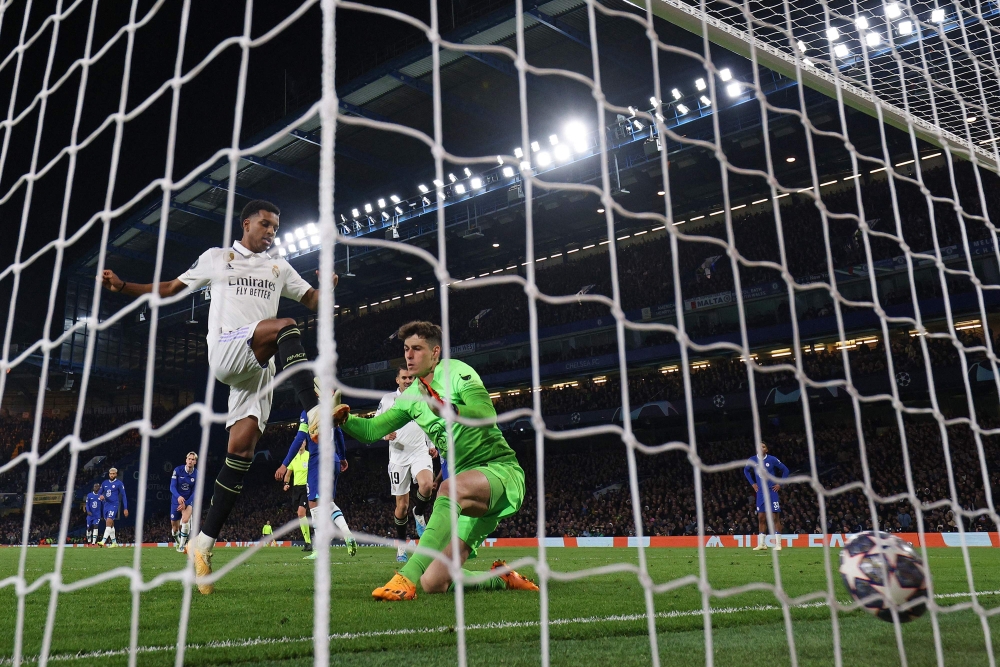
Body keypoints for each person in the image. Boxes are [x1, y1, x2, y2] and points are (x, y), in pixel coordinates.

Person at [101, 199, 337, 594]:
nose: (271, 233)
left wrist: (326, 286)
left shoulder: (279, 266)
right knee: (286, 325)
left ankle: (203, 544)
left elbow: (312, 300)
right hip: (229, 349)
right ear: (246, 224)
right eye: (265, 225)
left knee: (240, 455)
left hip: (259, 370)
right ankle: (314, 409)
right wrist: (124, 286)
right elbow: (173, 287)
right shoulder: (217, 258)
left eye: (276, 227)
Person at [335, 321, 538, 600]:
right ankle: (501, 579)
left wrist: (450, 409)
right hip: (466, 493)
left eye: (417, 349)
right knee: (434, 582)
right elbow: (371, 431)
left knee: (448, 488)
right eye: (406, 349)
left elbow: (485, 412)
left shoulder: (456, 372)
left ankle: (405, 577)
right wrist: (343, 419)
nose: (409, 356)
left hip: (500, 472)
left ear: (435, 352)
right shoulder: (410, 399)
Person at [275, 411, 357, 561]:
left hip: (319, 461)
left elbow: (299, 438)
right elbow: (338, 433)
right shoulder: (332, 407)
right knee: (328, 503)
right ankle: (347, 533)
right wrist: (343, 457)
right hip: (334, 459)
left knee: (313, 505)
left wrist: (284, 463)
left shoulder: (308, 412)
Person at [377, 366, 438, 562]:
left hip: (420, 451)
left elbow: (430, 422)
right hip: (398, 457)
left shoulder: (423, 397)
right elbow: (376, 424)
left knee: (427, 485)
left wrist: (432, 444)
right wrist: (385, 434)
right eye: (404, 377)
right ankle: (401, 548)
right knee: (401, 507)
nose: (408, 380)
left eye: (411, 377)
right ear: (397, 380)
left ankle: (419, 512)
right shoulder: (388, 400)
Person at [743, 442, 789, 551]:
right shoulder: (752, 460)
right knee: (761, 518)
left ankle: (778, 544)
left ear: (766, 450)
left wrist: (780, 484)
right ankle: (762, 544)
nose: (761, 448)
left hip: (771, 491)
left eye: (763, 446)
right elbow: (746, 471)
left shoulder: (772, 459)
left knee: (775, 518)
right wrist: (753, 484)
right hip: (760, 493)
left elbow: (785, 470)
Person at [282, 440, 312, 552]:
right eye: (299, 442)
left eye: (302, 442)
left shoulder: (309, 455)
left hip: (306, 487)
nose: (300, 444)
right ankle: (307, 541)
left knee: (301, 513)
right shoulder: (293, 458)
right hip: (296, 489)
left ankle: (308, 542)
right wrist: (285, 484)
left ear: (305, 443)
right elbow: (288, 475)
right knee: (300, 515)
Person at [170, 452, 198, 552]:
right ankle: (178, 541)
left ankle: (182, 546)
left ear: (195, 461)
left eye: (193, 459)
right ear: (186, 460)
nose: (190, 461)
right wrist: (178, 497)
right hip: (176, 500)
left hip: (188, 501)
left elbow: (196, 492)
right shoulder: (178, 470)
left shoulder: (197, 474)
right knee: (175, 529)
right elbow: (172, 487)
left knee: (185, 520)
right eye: (189, 459)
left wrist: (186, 503)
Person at [98, 468, 128, 548]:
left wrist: (125, 508)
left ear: (116, 474)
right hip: (106, 505)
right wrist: (100, 496)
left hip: (114, 504)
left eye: (113, 474)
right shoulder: (104, 483)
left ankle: (103, 541)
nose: (112, 475)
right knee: (111, 524)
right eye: (110, 473)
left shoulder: (119, 483)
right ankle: (114, 543)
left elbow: (124, 495)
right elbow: (99, 493)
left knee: (108, 521)